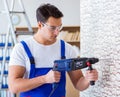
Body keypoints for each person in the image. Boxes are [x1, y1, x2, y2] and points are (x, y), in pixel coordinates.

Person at [8, 3, 98, 97]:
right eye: (52, 28)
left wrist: (88, 79)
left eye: (59, 27)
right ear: (40, 25)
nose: (57, 32)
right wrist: (45, 79)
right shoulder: (21, 49)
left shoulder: (67, 49)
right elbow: (13, 87)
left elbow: (79, 84)